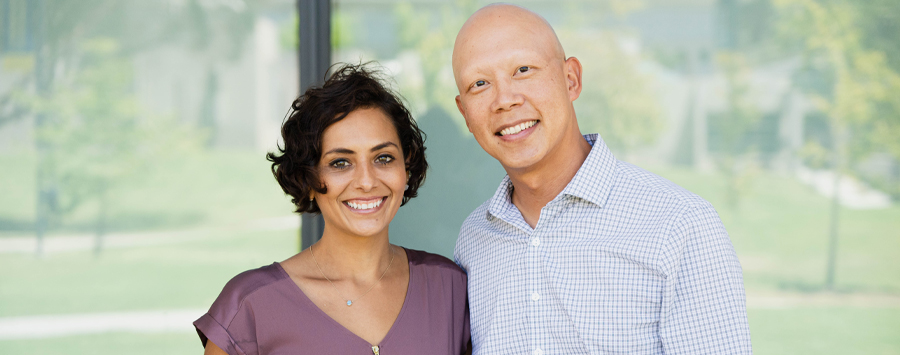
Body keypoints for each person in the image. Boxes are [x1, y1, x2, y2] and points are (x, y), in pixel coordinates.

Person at [452, 4, 751, 354]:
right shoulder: (473, 241)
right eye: (480, 83)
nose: (504, 100)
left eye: (523, 69)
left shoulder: (680, 226)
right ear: (465, 114)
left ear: (571, 79)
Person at [194, 64, 470, 355]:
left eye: (384, 158)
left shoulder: (449, 287)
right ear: (308, 178)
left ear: (406, 167)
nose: (366, 181)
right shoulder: (250, 306)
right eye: (341, 162)